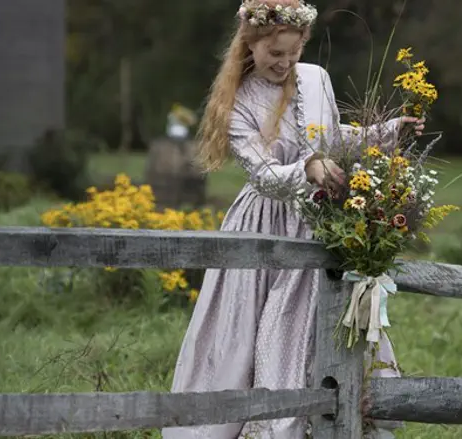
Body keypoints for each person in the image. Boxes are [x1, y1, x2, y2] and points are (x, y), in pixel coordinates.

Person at [161, 1, 425, 438]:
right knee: (260, 328)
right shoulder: (239, 102)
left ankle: (333, 421)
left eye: (292, 52)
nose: (284, 63)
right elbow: (264, 175)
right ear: (251, 45)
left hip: (318, 219)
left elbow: (335, 137)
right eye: (273, 54)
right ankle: (266, 424)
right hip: (267, 224)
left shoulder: (315, 79)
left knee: (324, 321)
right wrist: (306, 169)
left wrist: (387, 132)